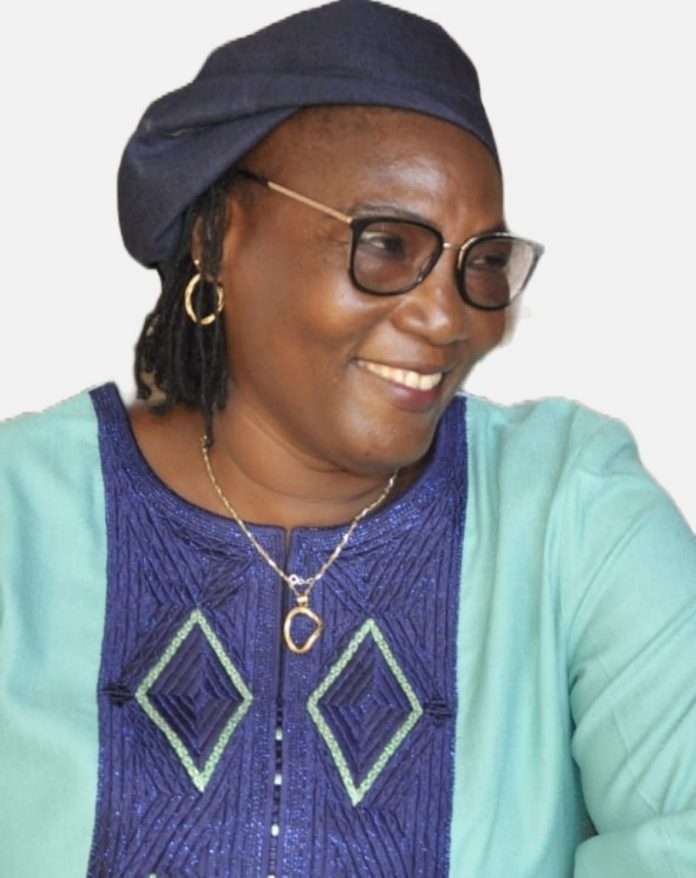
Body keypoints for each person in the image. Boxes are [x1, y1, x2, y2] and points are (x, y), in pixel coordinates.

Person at [1, 1, 695, 876]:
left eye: (481, 263)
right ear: (219, 238)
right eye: (389, 244)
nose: (448, 318)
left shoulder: (571, 513)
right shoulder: (20, 516)